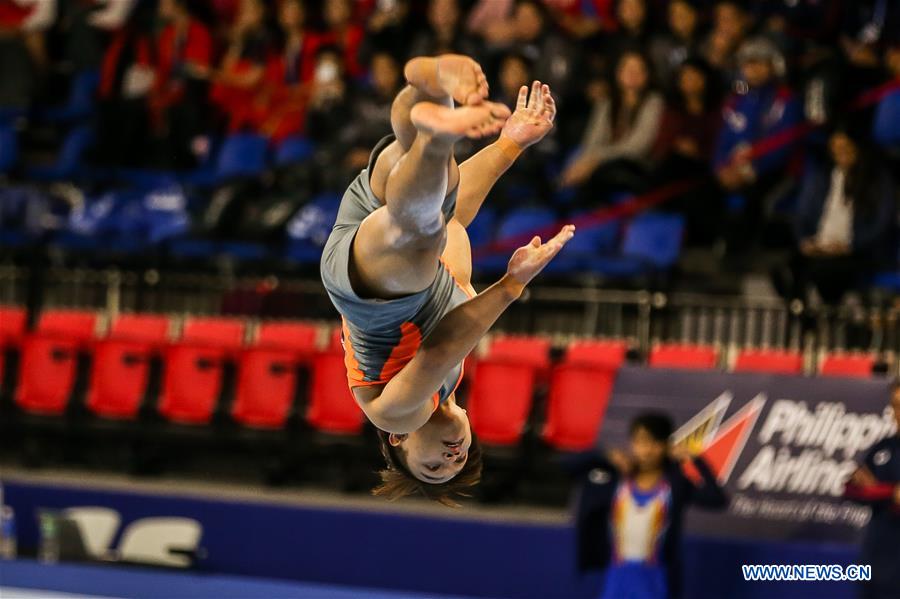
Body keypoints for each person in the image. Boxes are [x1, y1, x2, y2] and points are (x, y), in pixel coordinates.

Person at [320, 54, 571, 505]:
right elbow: (458, 219)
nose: (451, 456)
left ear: (399, 445)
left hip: (374, 295)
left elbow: (438, 351)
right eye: (457, 462)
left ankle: (436, 136)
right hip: (397, 252)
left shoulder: (396, 416)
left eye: (432, 465)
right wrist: (510, 144)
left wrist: (511, 287)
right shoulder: (450, 379)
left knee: (421, 224)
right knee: (430, 182)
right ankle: (429, 85)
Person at [573, 412, 728, 599]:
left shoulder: (675, 485)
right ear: (631, 443)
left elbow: (718, 499)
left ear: (666, 446)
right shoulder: (617, 480)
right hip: (617, 576)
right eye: (640, 442)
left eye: (654, 443)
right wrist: (603, 454)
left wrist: (696, 459)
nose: (646, 450)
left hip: (656, 578)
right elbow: (567, 467)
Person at [787, 127, 896, 304]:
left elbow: (882, 224)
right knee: (789, 267)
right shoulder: (821, 177)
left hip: (857, 251)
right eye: (836, 149)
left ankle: (826, 318)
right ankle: (808, 323)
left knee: (825, 271)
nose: (841, 154)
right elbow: (802, 215)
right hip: (821, 247)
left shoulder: (878, 180)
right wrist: (805, 241)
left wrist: (850, 245)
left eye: (846, 148)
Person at [714, 36, 801, 250]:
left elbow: (784, 145)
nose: (752, 69)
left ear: (773, 65)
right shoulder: (736, 101)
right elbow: (724, 139)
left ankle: (746, 253)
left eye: (758, 62)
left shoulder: (786, 100)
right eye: (748, 63)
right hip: (736, 169)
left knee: (753, 198)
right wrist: (720, 169)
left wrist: (751, 170)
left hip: (773, 171)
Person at [558, 50, 664, 205]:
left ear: (647, 74)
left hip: (631, 166)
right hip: (600, 161)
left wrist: (595, 161)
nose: (631, 73)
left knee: (597, 175)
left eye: (638, 69)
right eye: (627, 68)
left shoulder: (654, 103)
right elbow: (592, 140)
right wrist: (585, 161)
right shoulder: (606, 102)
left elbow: (637, 147)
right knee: (574, 159)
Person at [652, 57, 723, 246]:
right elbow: (661, 145)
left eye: (695, 76)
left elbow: (720, 144)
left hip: (705, 168)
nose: (689, 80)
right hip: (673, 168)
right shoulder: (672, 110)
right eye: (685, 76)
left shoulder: (718, 110)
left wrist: (698, 152)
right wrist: (678, 146)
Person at [844, 381, 900, 599]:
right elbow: (851, 489)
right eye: (895, 406)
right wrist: (889, 493)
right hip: (877, 556)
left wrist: (876, 491)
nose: (898, 413)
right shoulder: (883, 447)